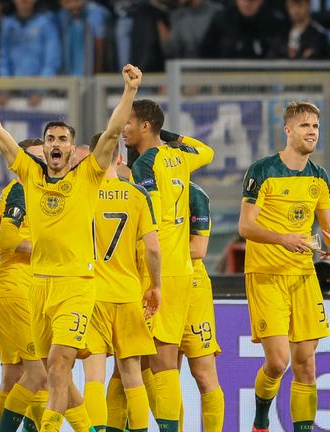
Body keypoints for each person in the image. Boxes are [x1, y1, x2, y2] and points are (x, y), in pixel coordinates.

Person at [0, 60, 141, 432]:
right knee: (42, 375)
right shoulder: (28, 174)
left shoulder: (87, 175)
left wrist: (130, 90)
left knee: (59, 365)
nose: (57, 145)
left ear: (73, 149)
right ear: (44, 148)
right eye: (51, 139)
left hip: (76, 286)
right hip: (37, 286)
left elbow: (113, 132)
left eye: (63, 139)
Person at [238, 101, 330, 432]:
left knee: (307, 365)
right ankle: (260, 418)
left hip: (303, 278)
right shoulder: (262, 170)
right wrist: (283, 239)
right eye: (304, 126)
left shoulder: (318, 176)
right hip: (266, 276)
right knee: (278, 361)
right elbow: (246, 227)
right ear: (288, 130)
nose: (311, 131)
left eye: (315, 126)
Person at [124, 99, 215, 432]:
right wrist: (171, 136)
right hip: (183, 271)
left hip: (161, 271)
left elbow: (154, 224)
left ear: (145, 125)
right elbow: (208, 152)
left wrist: (151, 277)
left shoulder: (145, 164)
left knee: (160, 365)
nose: (123, 129)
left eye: (128, 123)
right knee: (155, 363)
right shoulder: (179, 157)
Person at [81, 132, 161, 432]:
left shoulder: (80, 191)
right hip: (128, 294)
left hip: (91, 295)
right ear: (119, 157)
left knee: (93, 377)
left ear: (92, 157)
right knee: (133, 376)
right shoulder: (138, 195)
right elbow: (153, 248)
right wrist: (156, 286)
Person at [0, 139, 50, 432]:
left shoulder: (19, 192)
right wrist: (50, 249)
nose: (42, 163)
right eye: (35, 158)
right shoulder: (22, 189)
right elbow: (9, 241)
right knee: (39, 376)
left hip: (3, 290)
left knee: (13, 376)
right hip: (16, 291)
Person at [177, 181, 224, 431]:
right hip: (153, 286)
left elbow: (198, 248)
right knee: (164, 377)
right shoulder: (142, 189)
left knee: (204, 375)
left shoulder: (195, 194)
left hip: (192, 287)